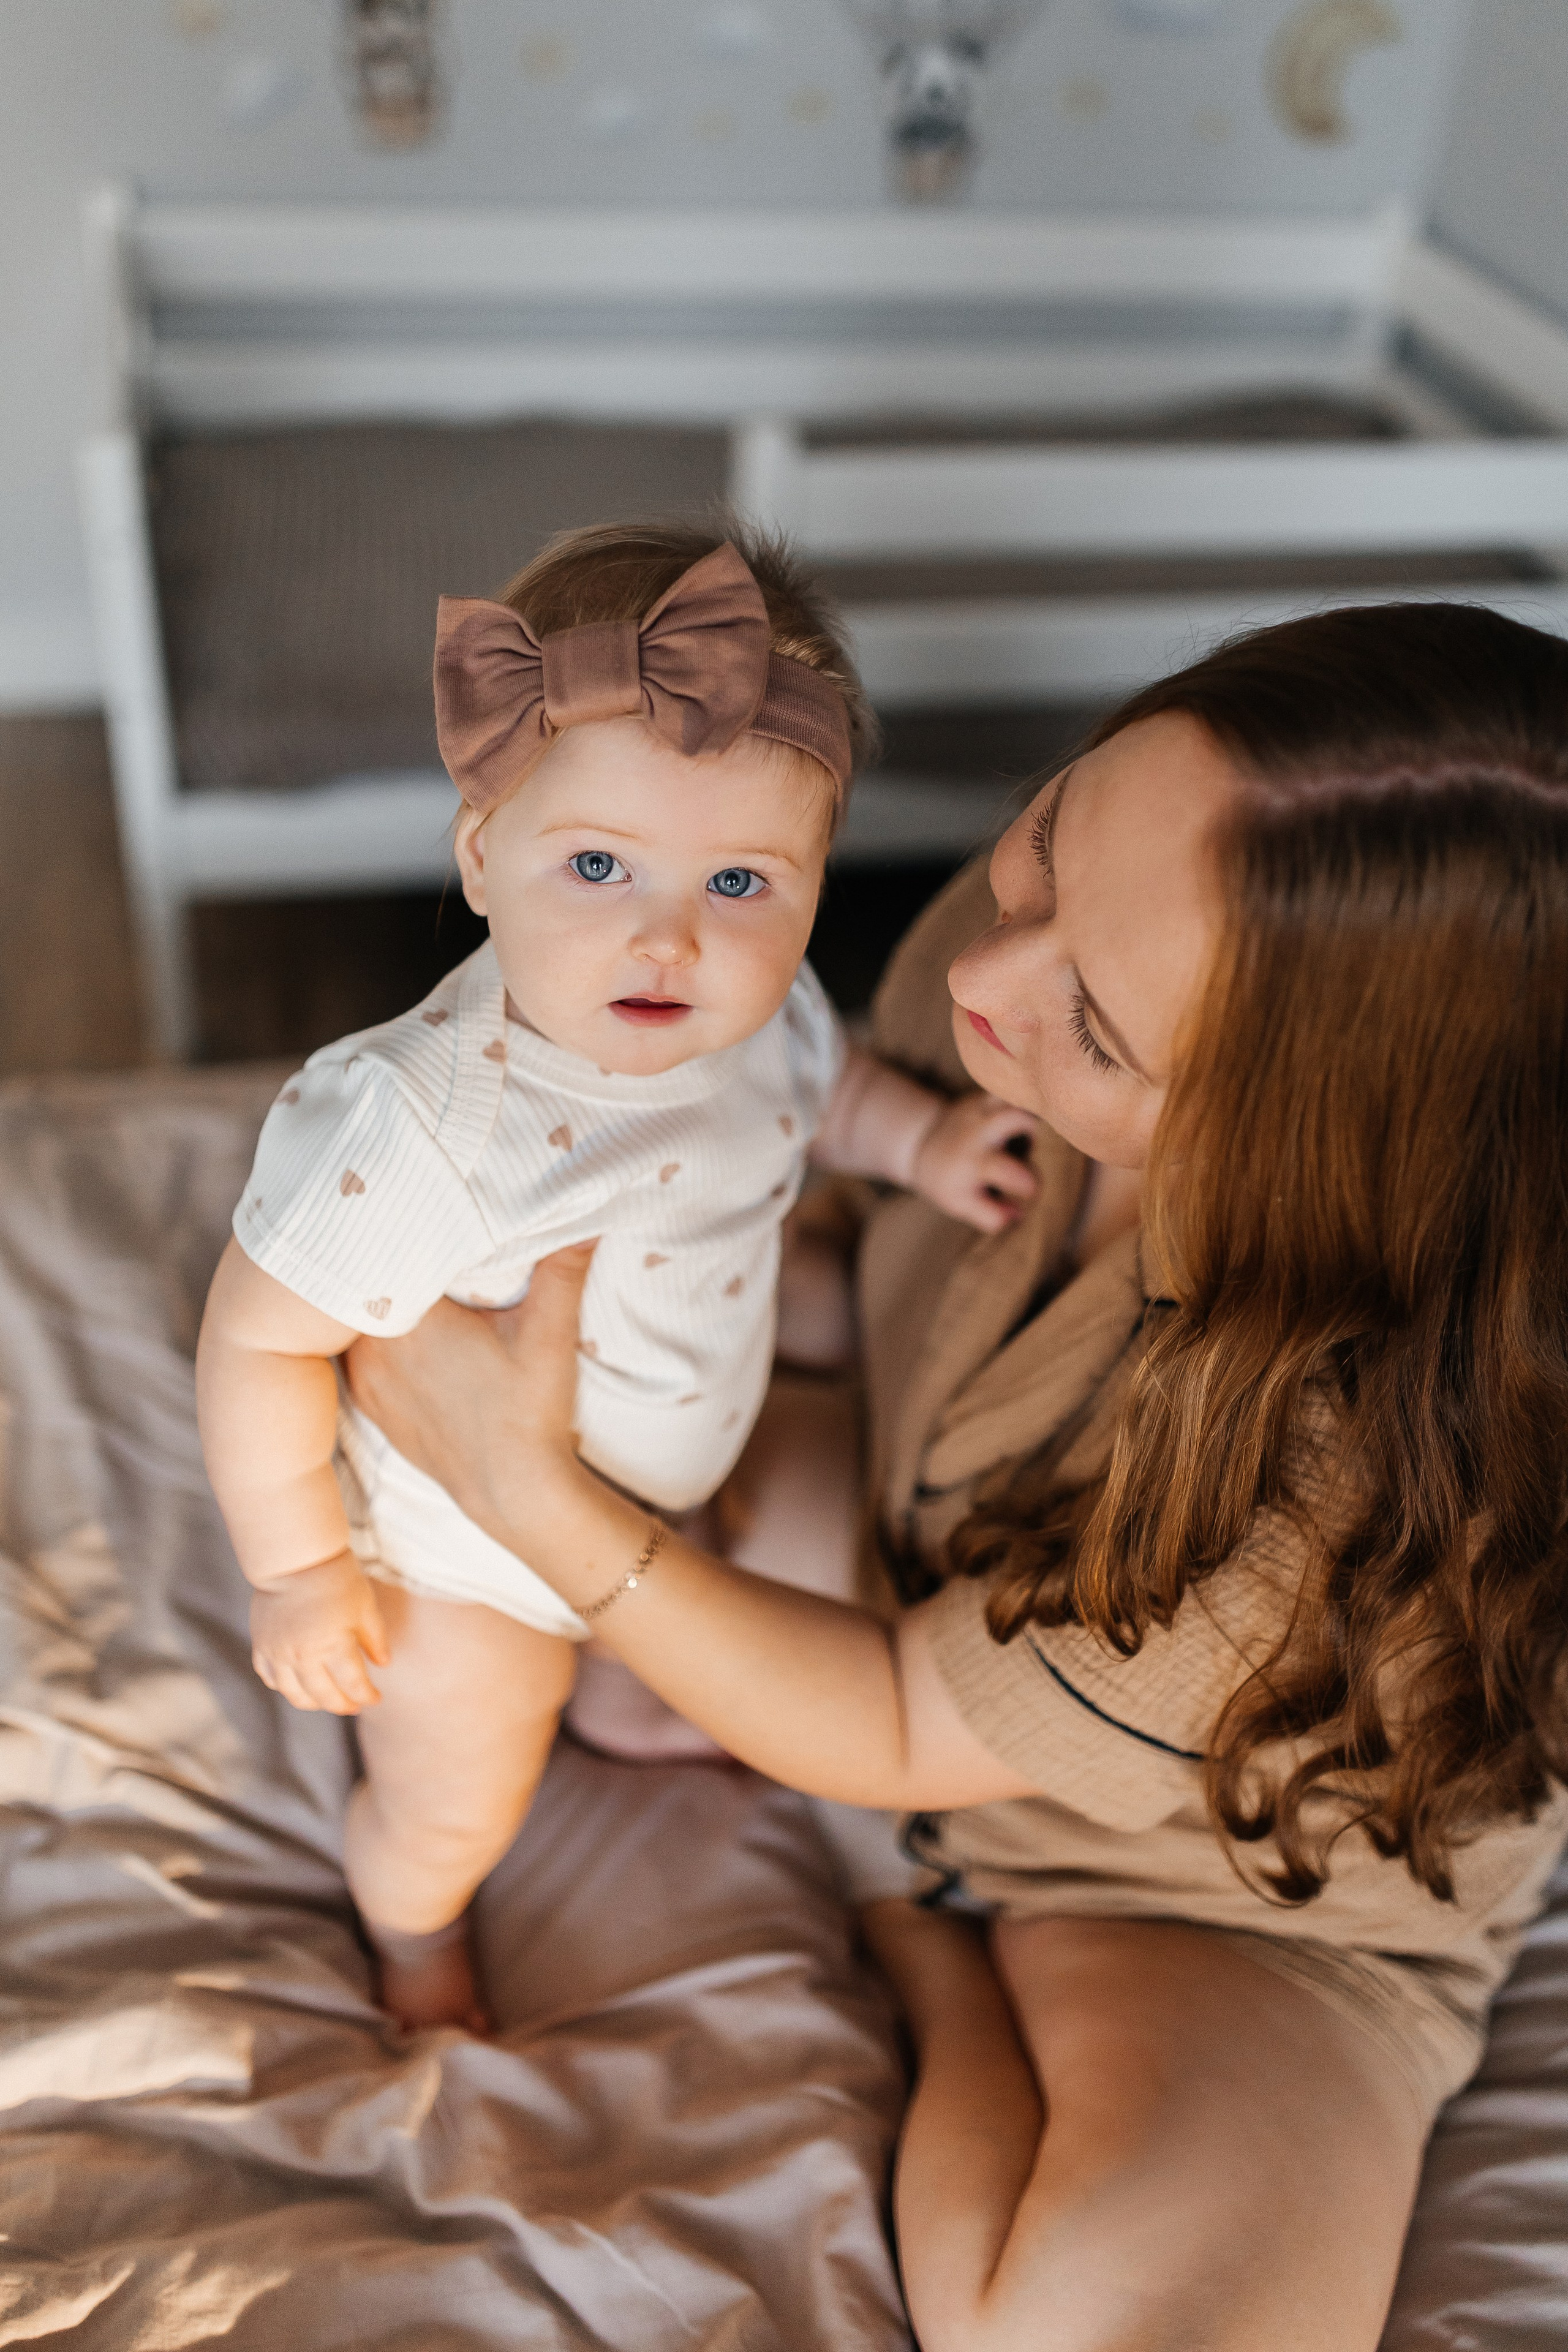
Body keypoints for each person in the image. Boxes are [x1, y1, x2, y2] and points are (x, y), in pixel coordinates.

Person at [342, 601, 1568, 2351]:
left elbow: (906, 1720)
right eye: (1048, 841)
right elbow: (808, 1172)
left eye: (1099, 1033)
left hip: (1217, 1889)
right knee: (587, 1642)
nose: (985, 980)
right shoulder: (1025, 963)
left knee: (1071, 2322)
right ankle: (871, 1832)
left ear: (1306, 1146)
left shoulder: (1350, 1470)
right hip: (921, 1540)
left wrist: (522, 1478)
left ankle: (906, 1913)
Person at [194, 525, 1037, 2034]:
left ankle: (629, 1690)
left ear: (812, 886)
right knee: (458, 1782)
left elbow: (823, 1088)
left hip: (665, 1476)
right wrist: (298, 1573)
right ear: (480, 856)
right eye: (595, 865)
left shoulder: (754, 1014)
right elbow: (256, 1342)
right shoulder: (424, 1121)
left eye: (741, 881)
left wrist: (920, 1147)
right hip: (461, 1559)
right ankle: (412, 1927)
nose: (669, 937)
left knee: (745, 1575)